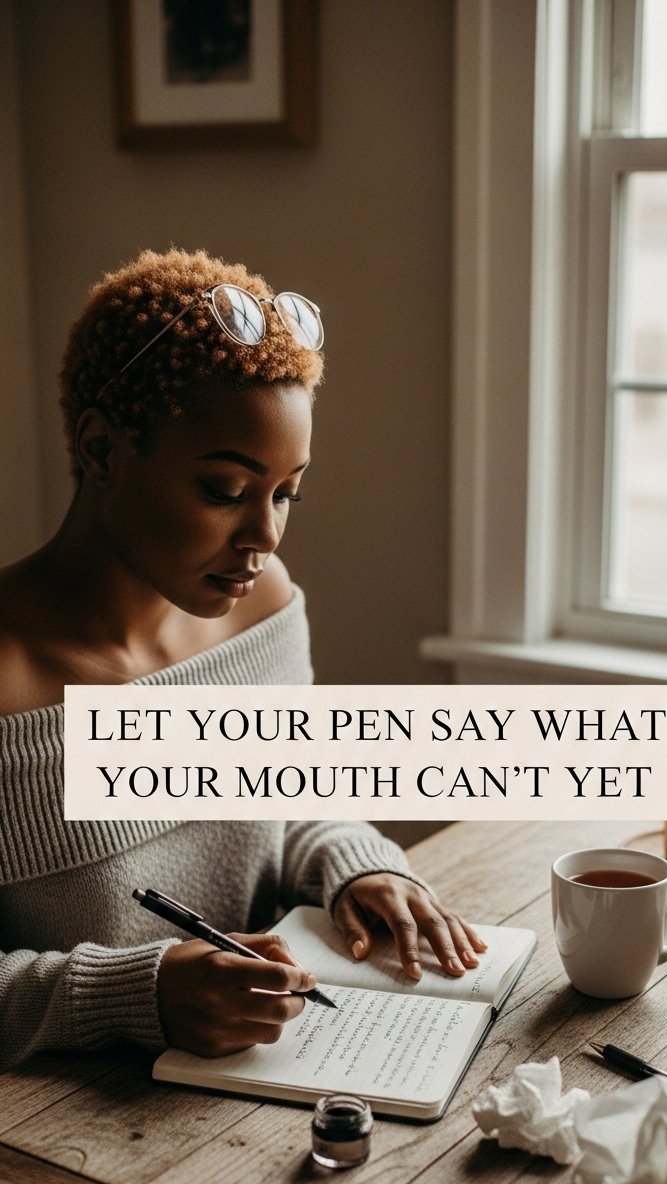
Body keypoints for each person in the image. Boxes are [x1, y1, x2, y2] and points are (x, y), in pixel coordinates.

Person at [0, 247, 485, 1070]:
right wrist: (139, 993)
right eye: (225, 490)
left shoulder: (263, 610)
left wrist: (352, 865)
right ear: (104, 450)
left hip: (274, 1079)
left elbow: (287, 800)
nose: (264, 537)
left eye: (286, 492)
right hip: (73, 1121)